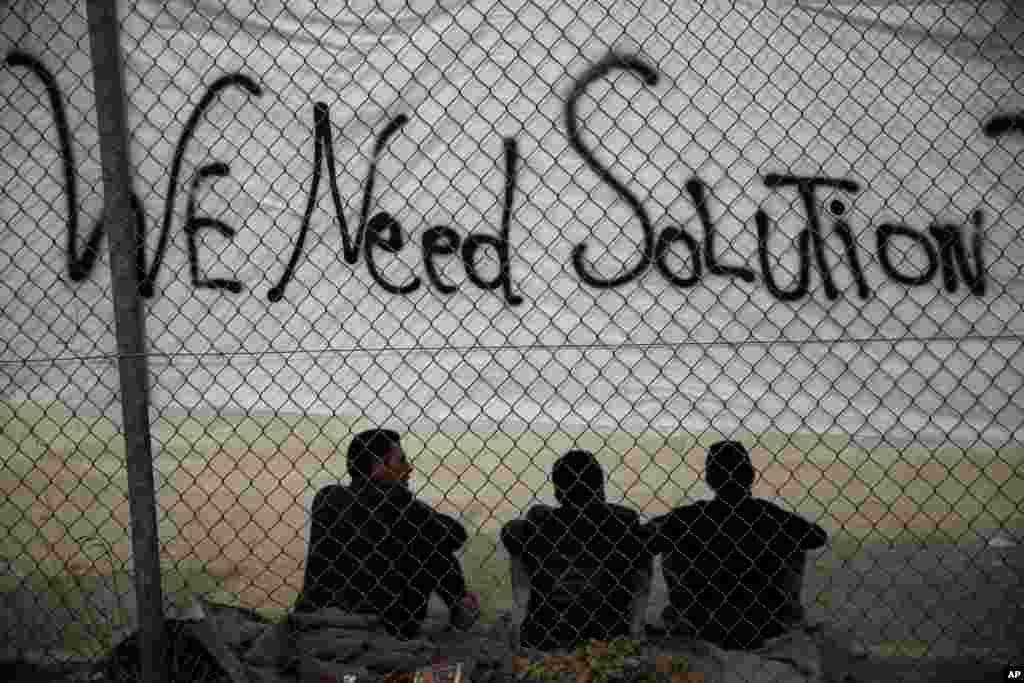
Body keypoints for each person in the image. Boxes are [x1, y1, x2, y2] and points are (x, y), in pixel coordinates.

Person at [295, 428, 480, 638]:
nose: (409, 468)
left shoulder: (327, 498)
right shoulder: (400, 503)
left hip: (322, 609)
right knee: (436, 553)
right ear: (377, 468)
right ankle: (461, 610)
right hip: (388, 623)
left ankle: (459, 607)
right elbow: (456, 535)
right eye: (400, 461)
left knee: (423, 539)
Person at [645, 440, 828, 650]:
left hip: (700, 623)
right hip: (767, 623)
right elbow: (817, 536)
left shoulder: (688, 519)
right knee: (794, 543)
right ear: (751, 476)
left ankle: (681, 615)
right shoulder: (771, 517)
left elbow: (645, 540)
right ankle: (787, 616)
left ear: (710, 480)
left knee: (668, 538)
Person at [500, 449, 653, 651]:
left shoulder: (539, 521)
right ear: (601, 488)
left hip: (546, 632)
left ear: (558, 492)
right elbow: (643, 560)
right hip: (610, 633)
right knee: (642, 546)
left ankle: (520, 613)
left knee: (518, 541)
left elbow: (512, 534)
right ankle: (636, 624)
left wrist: (520, 612)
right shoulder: (623, 521)